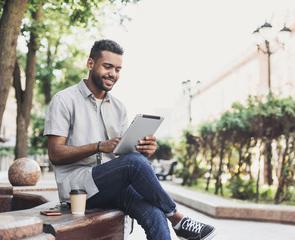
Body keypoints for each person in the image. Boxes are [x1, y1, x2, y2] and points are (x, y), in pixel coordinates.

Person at [44, 39, 217, 240]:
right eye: (107, 67)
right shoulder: (64, 100)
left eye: (118, 69)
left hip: (112, 185)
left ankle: (172, 218)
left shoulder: (118, 107)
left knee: (156, 214)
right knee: (135, 164)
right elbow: (55, 154)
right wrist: (99, 146)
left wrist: (144, 150)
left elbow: (125, 157)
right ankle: (178, 218)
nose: (113, 74)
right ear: (90, 64)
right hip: (79, 191)